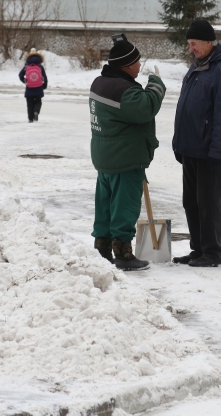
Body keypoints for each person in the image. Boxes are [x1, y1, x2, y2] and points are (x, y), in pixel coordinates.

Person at [89, 34, 166, 271]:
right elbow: (146, 108)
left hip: (105, 157)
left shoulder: (99, 83)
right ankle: (123, 252)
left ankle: (101, 248)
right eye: (137, 62)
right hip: (125, 159)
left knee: (105, 204)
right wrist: (156, 83)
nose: (140, 65)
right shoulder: (123, 90)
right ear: (126, 65)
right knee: (125, 206)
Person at [172, 20, 221, 268]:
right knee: (191, 201)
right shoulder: (198, 67)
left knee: (208, 202)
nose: (191, 48)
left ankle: (213, 252)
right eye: (189, 44)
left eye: (194, 44)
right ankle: (198, 248)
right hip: (189, 147)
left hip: (207, 150)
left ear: (208, 42)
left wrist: (217, 151)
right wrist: (178, 143)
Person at [18, 48, 48, 123]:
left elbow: (20, 75)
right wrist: (44, 86)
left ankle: (30, 119)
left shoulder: (26, 66)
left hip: (29, 88)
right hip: (38, 87)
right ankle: (36, 112)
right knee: (38, 102)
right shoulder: (40, 66)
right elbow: (45, 77)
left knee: (29, 104)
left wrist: (25, 81)